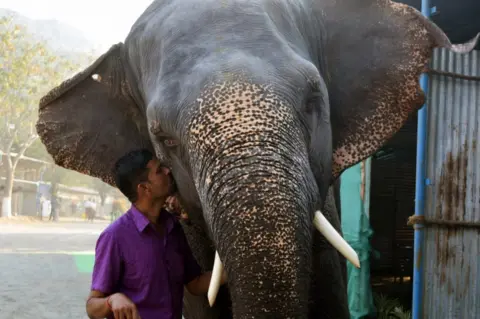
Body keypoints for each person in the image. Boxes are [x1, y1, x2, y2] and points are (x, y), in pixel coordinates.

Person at [85, 149, 226, 319]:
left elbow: (194, 284)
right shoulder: (115, 237)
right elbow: (92, 307)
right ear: (145, 188)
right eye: (159, 171)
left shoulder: (173, 228)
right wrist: (112, 300)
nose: (167, 171)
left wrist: (231, 270)